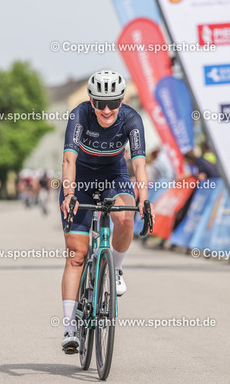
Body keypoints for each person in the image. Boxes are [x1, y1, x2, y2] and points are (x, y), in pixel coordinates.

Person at [59, 70, 155, 352]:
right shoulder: (79, 115)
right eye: (100, 103)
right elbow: (68, 159)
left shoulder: (131, 119)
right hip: (80, 180)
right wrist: (69, 194)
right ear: (91, 101)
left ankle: (116, 268)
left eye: (112, 103)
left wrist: (144, 199)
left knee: (126, 217)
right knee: (76, 255)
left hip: (114, 176)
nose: (106, 110)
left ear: (121, 100)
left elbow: (139, 164)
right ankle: (69, 327)